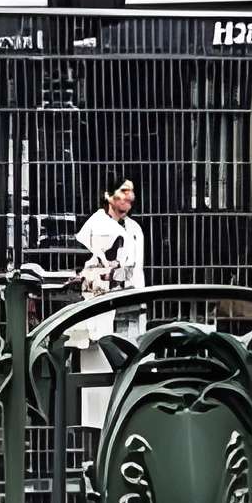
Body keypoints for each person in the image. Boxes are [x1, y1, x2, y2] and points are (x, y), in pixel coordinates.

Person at [66, 178, 145, 433]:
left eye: (131, 192)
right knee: (99, 388)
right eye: (123, 191)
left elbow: (134, 270)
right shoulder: (93, 228)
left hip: (130, 308)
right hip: (101, 311)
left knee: (128, 378)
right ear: (108, 195)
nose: (129, 197)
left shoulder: (134, 229)